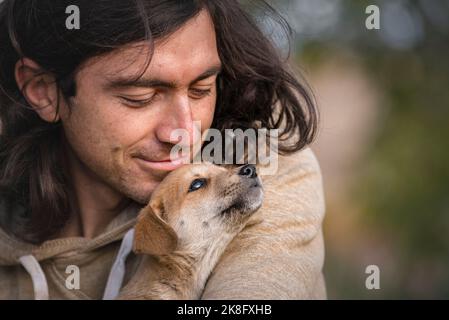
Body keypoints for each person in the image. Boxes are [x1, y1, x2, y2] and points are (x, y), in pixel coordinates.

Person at [0, 0, 326, 299]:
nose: (184, 132)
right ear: (43, 90)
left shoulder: (263, 169)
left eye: (201, 89)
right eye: (140, 97)